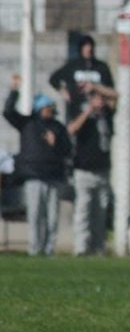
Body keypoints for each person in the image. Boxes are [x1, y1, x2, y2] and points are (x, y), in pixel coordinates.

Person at [4, 75, 72, 255]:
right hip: (33, 175)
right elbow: (8, 112)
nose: (50, 111)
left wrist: (55, 143)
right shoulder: (28, 123)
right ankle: (34, 249)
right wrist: (14, 91)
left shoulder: (57, 127)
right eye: (47, 107)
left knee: (52, 217)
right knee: (35, 215)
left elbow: (67, 150)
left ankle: (49, 249)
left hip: (53, 176)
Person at [66, 84, 118, 255]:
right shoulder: (82, 113)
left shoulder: (107, 115)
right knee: (83, 210)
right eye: (97, 98)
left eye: (101, 99)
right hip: (84, 169)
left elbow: (116, 95)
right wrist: (88, 111)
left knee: (101, 212)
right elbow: (72, 129)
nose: (100, 102)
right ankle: (81, 247)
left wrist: (96, 87)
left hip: (102, 169)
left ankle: (98, 247)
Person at [49, 35, 114, 121]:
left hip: (97, 111)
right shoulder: (73, 66)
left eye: (90, 46)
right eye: (85, 47)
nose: (88, 49)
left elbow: (110, 88)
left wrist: (95, 88)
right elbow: (54, 78)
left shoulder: (101, 67)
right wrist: (63, 90)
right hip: (77, 110)